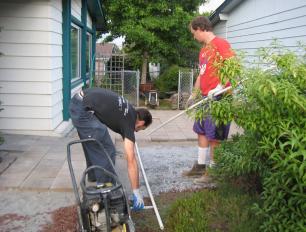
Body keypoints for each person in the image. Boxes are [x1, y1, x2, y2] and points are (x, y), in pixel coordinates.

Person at [69, 87, 152, 210]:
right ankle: (105, 192)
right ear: (140, 123)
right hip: (81, 109)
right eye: (141, 129)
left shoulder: (129, 109)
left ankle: (94, 178)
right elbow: (131, 159)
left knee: (99, 144)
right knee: (105, 149)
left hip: (80, 102)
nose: (137, 131)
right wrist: (136, 192)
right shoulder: (129, 122)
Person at [182, 16, 234, 184]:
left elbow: (232, 67)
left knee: (215, 136)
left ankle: (214, 171)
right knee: (202, 130)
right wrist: (194, 94)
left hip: (220, 98)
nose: (193, 37)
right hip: (205, 98)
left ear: (200, 28)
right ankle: (201, 166)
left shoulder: (221, 44)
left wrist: (220, 87)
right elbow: (202, 74)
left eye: (193, 33)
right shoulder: (203, 50)